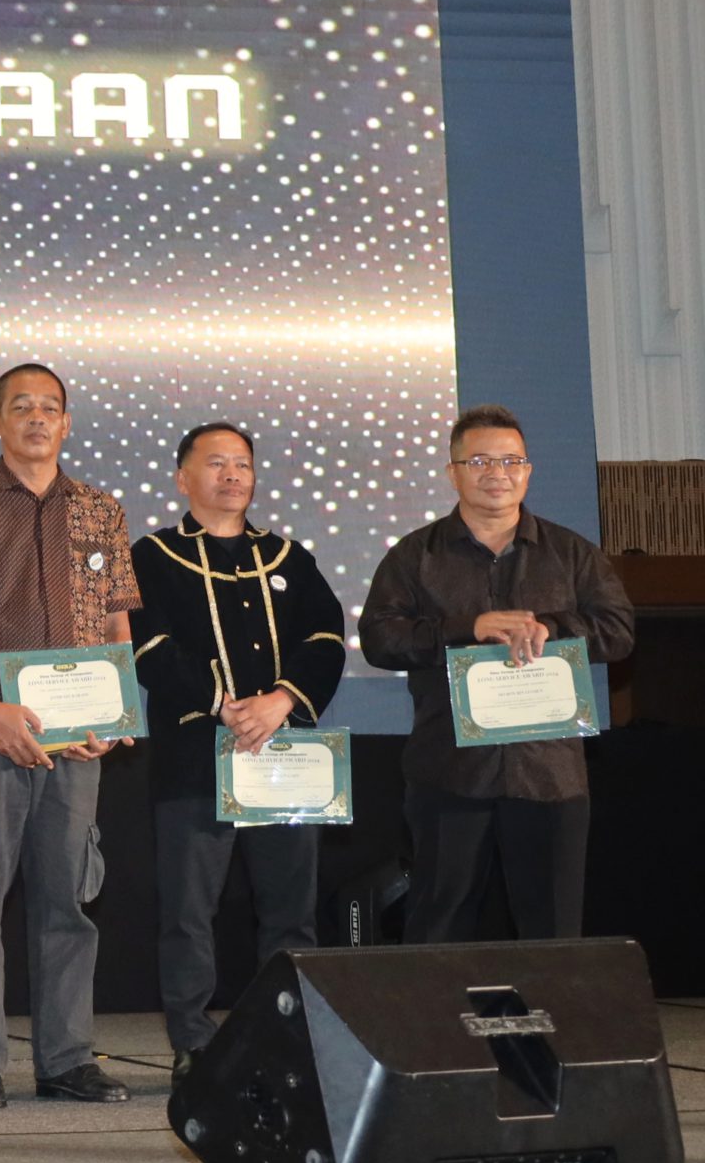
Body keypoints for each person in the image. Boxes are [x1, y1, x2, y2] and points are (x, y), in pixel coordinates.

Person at [0, 362, 140, 1110]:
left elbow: (116, 621)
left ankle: (68, 1059)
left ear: (67, 423)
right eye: (22, 407)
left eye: (51, 407)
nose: (38, 419)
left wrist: (114, 713)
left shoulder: (101, 510)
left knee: (68, 900)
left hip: (76, 740)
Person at [359, 405, 635, 943]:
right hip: (449, 772)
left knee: (552, 934)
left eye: (511, 461)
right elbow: (380, 638)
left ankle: (545, 1006)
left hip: (549, 774)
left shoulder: (572, 553)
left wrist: (552, 627)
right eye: (480, 461)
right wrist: (468, 628)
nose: (497, 473)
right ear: (453, 472)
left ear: (528, 471)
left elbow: (619, 631)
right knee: (438, 927)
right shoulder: (415, 556)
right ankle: (439, 1006)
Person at [128, 422, 346, 1077]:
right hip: (194, 760)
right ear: (182, 478)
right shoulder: (153, 556)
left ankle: (283, 1035)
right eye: (216, 462)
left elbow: (326, 639)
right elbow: (150, 646)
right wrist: (222, 703)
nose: (232, 475)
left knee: (291, 912)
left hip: (285, 758)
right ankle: (193, 1042)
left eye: (242, 464)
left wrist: (282, 699)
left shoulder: (288, 557)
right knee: (189, 913)